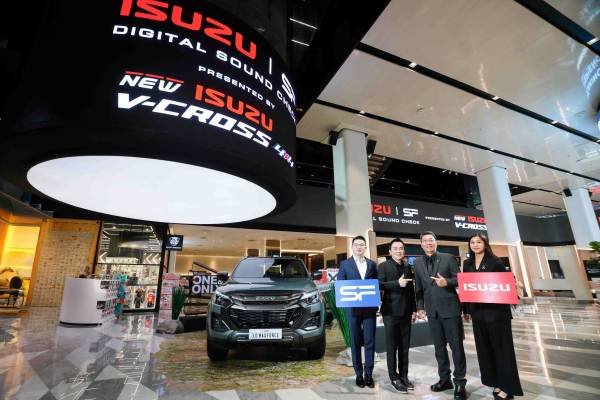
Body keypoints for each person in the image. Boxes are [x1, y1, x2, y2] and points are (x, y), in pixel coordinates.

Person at [462, 234, 523, 399]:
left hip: (497, 313)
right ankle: (496, 381)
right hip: (478, 314)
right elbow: (467, 286)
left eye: (479, 242)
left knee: (502, 351)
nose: (475, 244)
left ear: (485, 244)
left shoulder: (495, 261)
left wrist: (515, 285)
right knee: (486, 350)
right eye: (472, 242)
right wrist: (466, 310)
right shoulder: (467, 263)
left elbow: (507, 283)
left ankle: (508, 388)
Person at [414, 231, 467, 400]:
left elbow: (460, 279)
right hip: (432, 312)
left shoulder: (448, 258)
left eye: (431, 240)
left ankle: (460, 382)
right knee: (439, 348)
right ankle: (445, 379)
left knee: (456, 347)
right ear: (421, 244)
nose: (428, 243)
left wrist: (447, 282)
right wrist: (420, 307)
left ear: (436, 242)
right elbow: (419, 288)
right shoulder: (417, 262)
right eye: (425, 241)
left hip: (450, 310)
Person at [337, 235, 379, 388]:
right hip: (352, 309)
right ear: (352, 247)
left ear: (365, 247)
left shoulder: (372, 264)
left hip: (369, 309)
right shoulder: (345, 264)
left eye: (362, 244)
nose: (359, 247)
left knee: (369, 341)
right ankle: (358, 374)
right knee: (355, 342)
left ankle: (369, 375)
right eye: (356, 245)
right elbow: (340, 284)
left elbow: (376, 284)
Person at [378, 238, 416, 393]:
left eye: (401, 248)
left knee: (404, 346)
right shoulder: (383, 266)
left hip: (406, 312)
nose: (398, 251)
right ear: (390, 251)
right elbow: (379, 284)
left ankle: (404, 376)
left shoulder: (408, 266)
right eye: (395, 248)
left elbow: (411, 290)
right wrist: (396, 283)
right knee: (392, 346)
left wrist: (414, 309)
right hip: (390, 312)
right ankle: (394, 377)